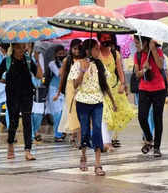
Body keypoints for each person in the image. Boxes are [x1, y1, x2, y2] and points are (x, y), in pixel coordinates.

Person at [69, 39, 117, 176]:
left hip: (97, 102)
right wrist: (82, 72)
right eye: (96, 49)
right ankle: (83, 155)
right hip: (82, 102)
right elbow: (75, 85)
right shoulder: (77, 64)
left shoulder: (99, 65)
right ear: (89, 50)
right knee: (84, 130)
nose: (98, 51)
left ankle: (97, 164)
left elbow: (105, 85)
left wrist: (113, 101)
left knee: (97, 130)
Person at [0, 43, 43, 161]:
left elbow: (40, 75)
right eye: (19, 47)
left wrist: (37, 60)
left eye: (23, 47)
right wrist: (7, 82)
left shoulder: (28, 60)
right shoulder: (7, 60)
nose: (22, 50)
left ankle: (27, 150)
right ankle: (10, 144)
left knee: (27, 121)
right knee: (14, 122)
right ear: (14, 48)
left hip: (27, 94)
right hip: (12, 95)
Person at [98, 33, 136, 151]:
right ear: (99, 39)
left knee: (113, 115)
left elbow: (120, 71)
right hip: (100, 87)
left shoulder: (115, 54)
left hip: (114, 88)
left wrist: (123, 84)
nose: (107, 40)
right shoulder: (96, 53)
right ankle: (106, 142)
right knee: (104, 114)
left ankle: (108, 140)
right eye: (104, 38)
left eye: (109, 38)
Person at [133, 35, 167, 157]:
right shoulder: (137, 55)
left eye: (137, 43)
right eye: (135, 43)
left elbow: (160, 66)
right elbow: (137, 74)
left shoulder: (157, 51)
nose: (136, 46)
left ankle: (157, 147)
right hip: (144, 89)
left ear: (145, 42)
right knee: (142, 116)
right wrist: (144, 70)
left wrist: (153, 50)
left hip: (159, 89)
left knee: (157, 118)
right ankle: (148, 138)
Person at [54, 39, 84, 147]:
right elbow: (62, 77)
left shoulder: (84, 60)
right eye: (75, 48)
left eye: (79, 49)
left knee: (80, 111)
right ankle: (74, 134)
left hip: (81, 87)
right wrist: (58, 92)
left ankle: (78, 136)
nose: (77, 51)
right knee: (72, 111)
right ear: (71, 49)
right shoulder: (67, 60)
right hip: (70, 88)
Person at [45, 45, 67, 142]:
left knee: (63, 112)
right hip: (54, 90)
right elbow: (59, 74)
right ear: (55, 55)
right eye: (59, 54)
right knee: (57, 113)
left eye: (63, 53)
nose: (61, 55)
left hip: (64, 90)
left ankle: (62, 131)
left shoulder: (68, 63)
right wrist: (64, 64)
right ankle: (57, 134)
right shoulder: (52, 64)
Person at [27, 43, 46, 142]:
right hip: (26, 86)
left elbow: (41, 73)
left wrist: (37, 59)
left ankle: (35, 130)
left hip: (38, 86)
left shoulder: (39, 55)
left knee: (38, 112)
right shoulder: (23, 55)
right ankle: (31, 133)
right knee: (28, 111)